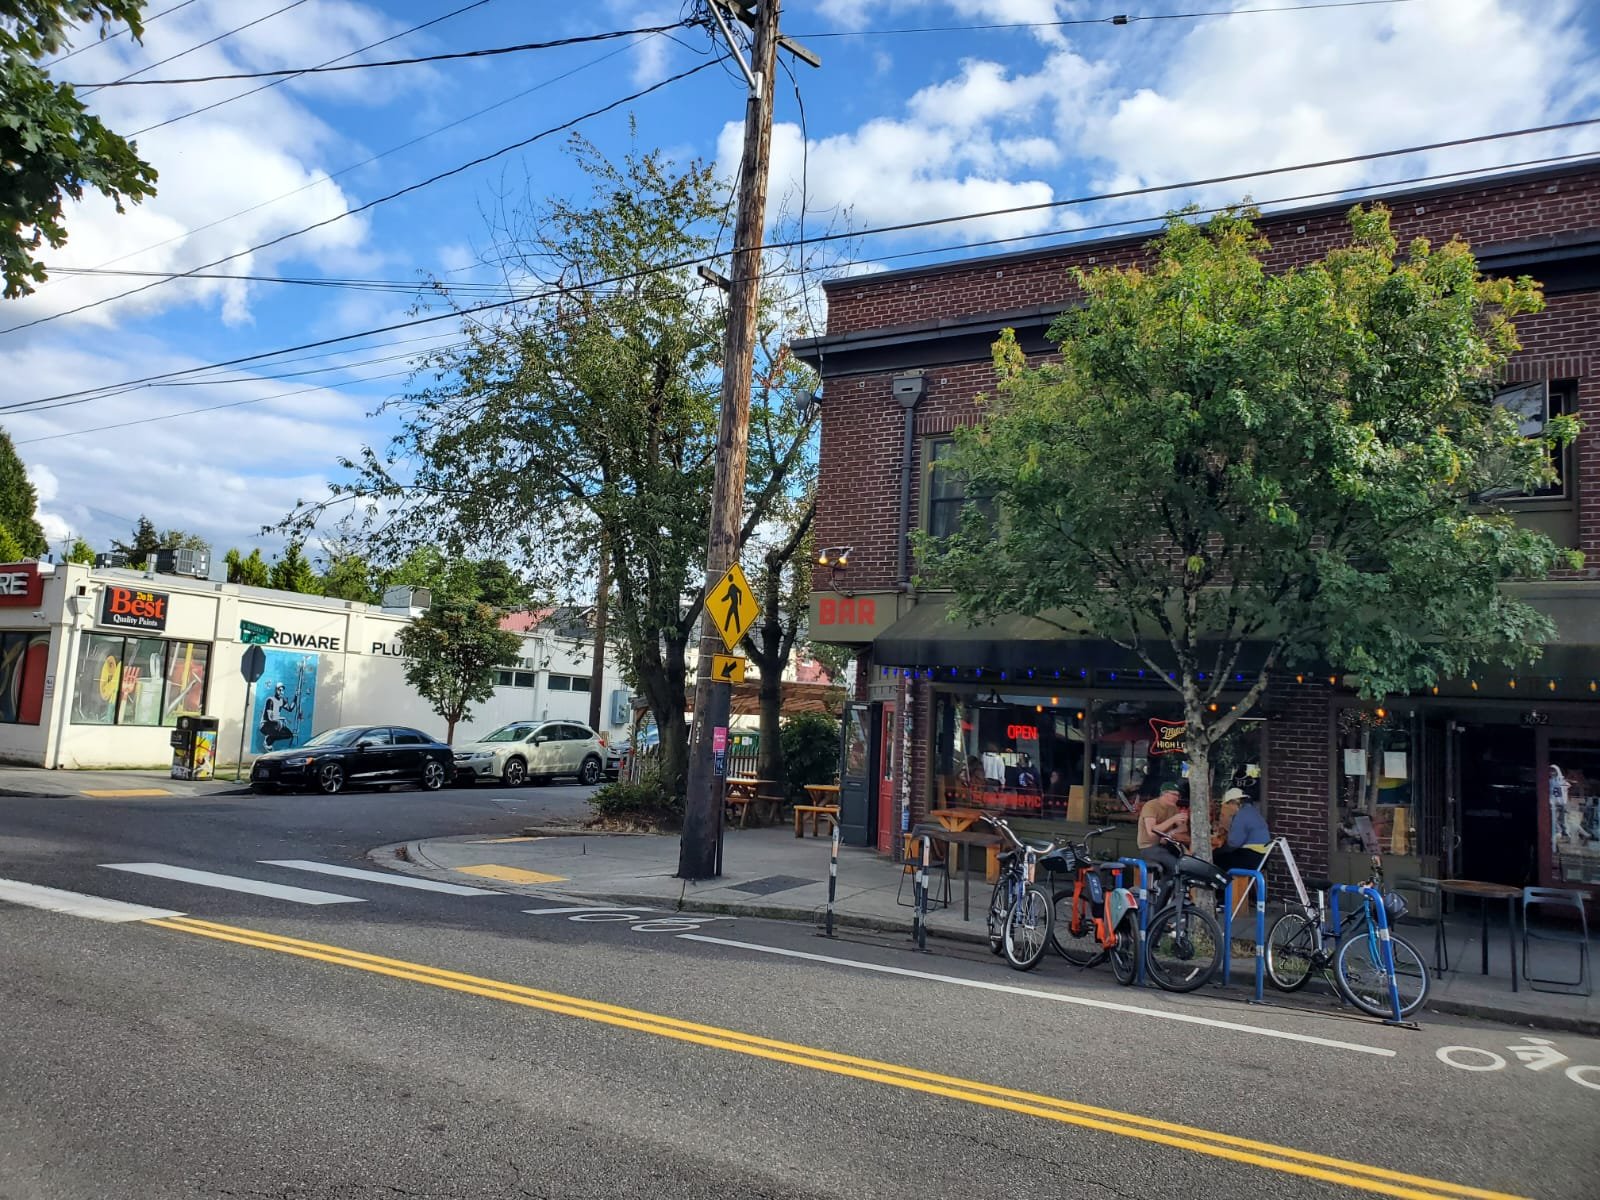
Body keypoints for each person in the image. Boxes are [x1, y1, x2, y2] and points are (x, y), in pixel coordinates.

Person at [1137, 781, 1190, 879]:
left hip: (1167, 845)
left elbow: (1183, 829)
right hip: (1149, 847)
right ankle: (1163, 890)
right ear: (1164, 794)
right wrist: (1173, 819)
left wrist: (1170, 833)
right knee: (1175, 866)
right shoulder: (1151, 806)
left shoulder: (1173, 808)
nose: (1176, 798)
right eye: (1174, 794)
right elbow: (1151, 832)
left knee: (1188, 863)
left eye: (1178, 796)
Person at [1214, 787, 1271, 876]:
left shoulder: (1240, 816)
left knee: (1216, 860)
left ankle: (1223, 889)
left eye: (1227, 805)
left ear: (1233, 803)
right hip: (1263, 856)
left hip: (1252, 857)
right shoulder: (1250, 810)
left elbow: (1233, 843)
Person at [259, 682, 298, 747]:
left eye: (282, 690)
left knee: (288, 734)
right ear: (276, 690)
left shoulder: (282, 701)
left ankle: (269, 739)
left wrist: (296, 697)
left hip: (275, 725)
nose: (281, 692)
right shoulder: (270, 700)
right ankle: (267, 740)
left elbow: (290, 709)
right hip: (265, 725)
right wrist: (282, 718)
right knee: (278, 723)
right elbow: (270, 718)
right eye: (279, 690)